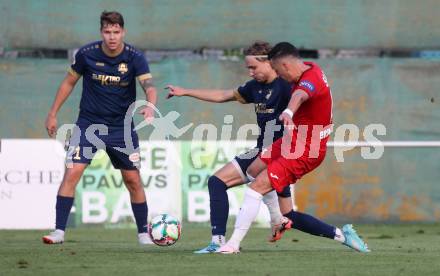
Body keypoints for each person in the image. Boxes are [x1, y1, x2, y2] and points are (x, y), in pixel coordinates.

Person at [218, 42, 370, 254]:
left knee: (256, 189)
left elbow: (299, 96)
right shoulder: (308, 67)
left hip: (306, 151)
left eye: (279, 71)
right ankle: (285, 221)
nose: (279, 76)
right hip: (293, 142)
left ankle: (232, 244)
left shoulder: (310, 80)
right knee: (254, 171)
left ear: (286, 66)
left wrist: (288, 113)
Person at [167, 41, 296, 253]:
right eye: (248, 68)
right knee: (216, 182)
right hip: (260, 150)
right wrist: (185, 91)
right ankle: (218, 241)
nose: (250, 72)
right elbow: (222, 95)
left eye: (253, 67)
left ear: (269, 63)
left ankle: (282, 220)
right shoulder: (254, 87)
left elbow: (305, 103)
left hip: (280, 152)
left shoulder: (285, 86)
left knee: (289, 213)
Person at [42, 11, 157, 245]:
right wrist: (52, 113)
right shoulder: (86, 54)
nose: (112, 37)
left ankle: (144, 234)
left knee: (133, 180)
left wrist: (150, 107)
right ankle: (59, 232)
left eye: (116, 32)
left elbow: (150, 86)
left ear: (123, 32)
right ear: (101, 32)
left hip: (121, 129)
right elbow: (68, 83)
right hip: (88, 126)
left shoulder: (135, 57)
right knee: (72, 172)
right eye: (107, 32)